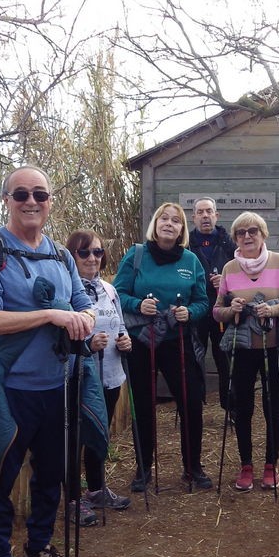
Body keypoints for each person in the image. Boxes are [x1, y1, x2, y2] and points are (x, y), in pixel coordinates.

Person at [0, 165, 96, 557]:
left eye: (40, 193)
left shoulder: (60, 255)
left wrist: (85, 319)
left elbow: (83, 303)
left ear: (50, 200)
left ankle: (37, 551)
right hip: (11, 389)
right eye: (21, 193)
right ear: (7, 199)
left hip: (57, 385)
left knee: (51, 476)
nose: (31, 201)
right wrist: (51, 316)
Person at [115, 202, 212, 491]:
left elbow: (203, 301)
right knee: (143, 404)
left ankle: (192, 467)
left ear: (183, 228)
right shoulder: (136, 255)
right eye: (164, 219)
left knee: (191, 402)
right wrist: (138, 304)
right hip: (141, 340)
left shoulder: (191, 261)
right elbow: (117, 293)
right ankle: (144, 468)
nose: (169, 224)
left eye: (176, 220)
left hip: (176, 339)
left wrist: (190, 313)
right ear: (155, 224)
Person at [213, 212, 279, 491]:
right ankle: (246, 465)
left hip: (272, 348)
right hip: (242, 349)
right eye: (241, 232)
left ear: (263, 234)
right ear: (236, 238)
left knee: (271, 406)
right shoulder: (229, 268)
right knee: (243, 408)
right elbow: (217, 311)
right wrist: (232, 309)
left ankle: (270, 465)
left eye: (253, 231)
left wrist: (273, 309)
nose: (247, 236)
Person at [67, 229, 133, 513]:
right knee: (76, 437)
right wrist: (86, 344)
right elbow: (61, 333)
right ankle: (72, 498)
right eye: (84, 252)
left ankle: (95, 490)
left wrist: (125, 340)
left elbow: (119, 324)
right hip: (79, 375)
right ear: (72, 256)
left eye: (97, 252)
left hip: (110, 373)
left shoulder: (109, 289)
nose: (92, 258)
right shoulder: (67, 290)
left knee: (99, 433)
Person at [188, 197, 236, 410]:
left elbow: (241, 272)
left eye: (209, 211)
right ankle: (195, 404)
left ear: (217, 215)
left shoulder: (229, 243)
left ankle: (229, 406)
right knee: (194, 358)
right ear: (194, 217)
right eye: (200, 212)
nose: (205, 216)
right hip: (196, 310)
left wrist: (226, 281)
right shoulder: (186, 244)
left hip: (222, 310)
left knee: (224, 359)